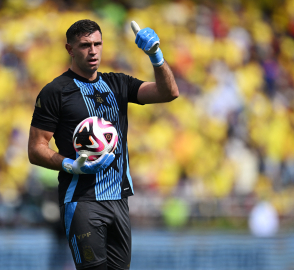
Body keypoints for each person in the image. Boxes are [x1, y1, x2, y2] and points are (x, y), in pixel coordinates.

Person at [28, 19, 178, 270]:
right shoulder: (55, 92)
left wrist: (156, 56)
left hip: (119, 200)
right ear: (70, 49)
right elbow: (36, 149)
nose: (93, 50)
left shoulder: (118, 83)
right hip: (81, 201)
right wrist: (72, 166)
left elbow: (168, 92)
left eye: (98, 44)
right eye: (85, 45)